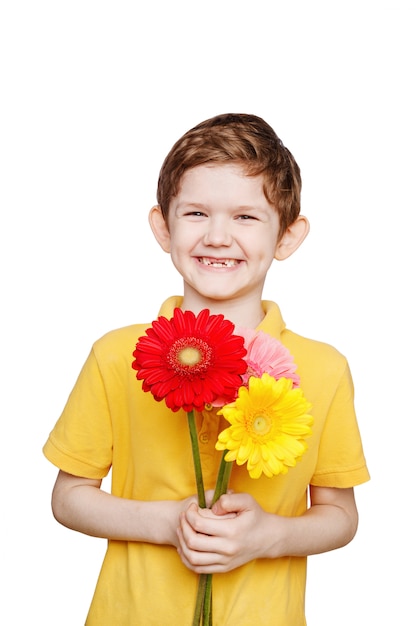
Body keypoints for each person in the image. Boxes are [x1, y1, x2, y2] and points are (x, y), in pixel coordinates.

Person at [43, 113, 370, 625]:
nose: (218, 236)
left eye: (246, 217)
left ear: (287, 236)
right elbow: (69, 497)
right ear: (162, 226)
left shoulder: (324, 369)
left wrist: (270, 535)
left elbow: (341, 515)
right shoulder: (117, 354)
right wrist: (167, 522)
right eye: (196, 213)